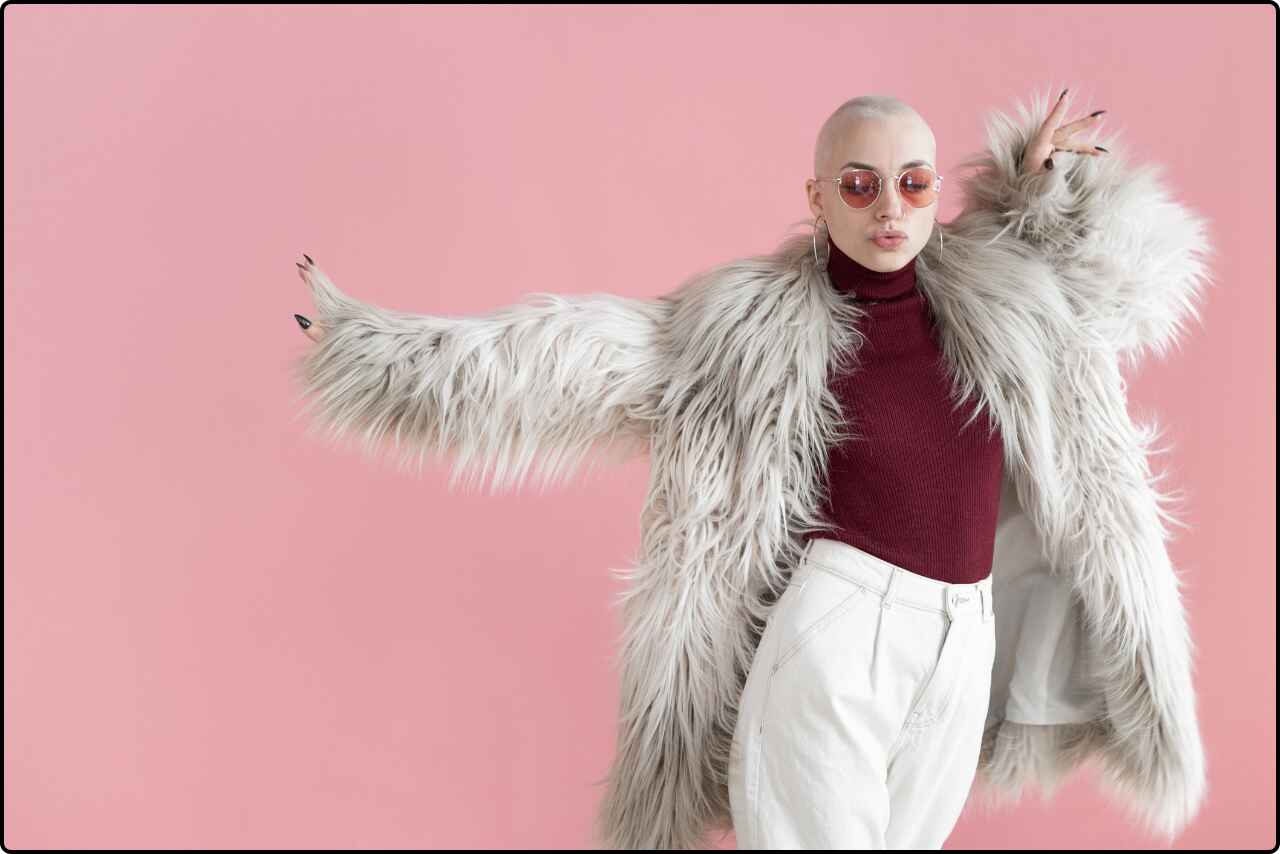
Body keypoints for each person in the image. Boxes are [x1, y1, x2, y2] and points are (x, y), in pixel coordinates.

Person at [289, 87, 1211, 850]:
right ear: (816, 199)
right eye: (858, 186)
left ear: (935, 193)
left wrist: (1043, 191)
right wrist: (378, 353)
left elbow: (1124, 291)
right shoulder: (744, 326)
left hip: (964, 644)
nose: (888, 207)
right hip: (838, 634)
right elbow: (557, 360)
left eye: (912, 182)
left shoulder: (1001, 297)